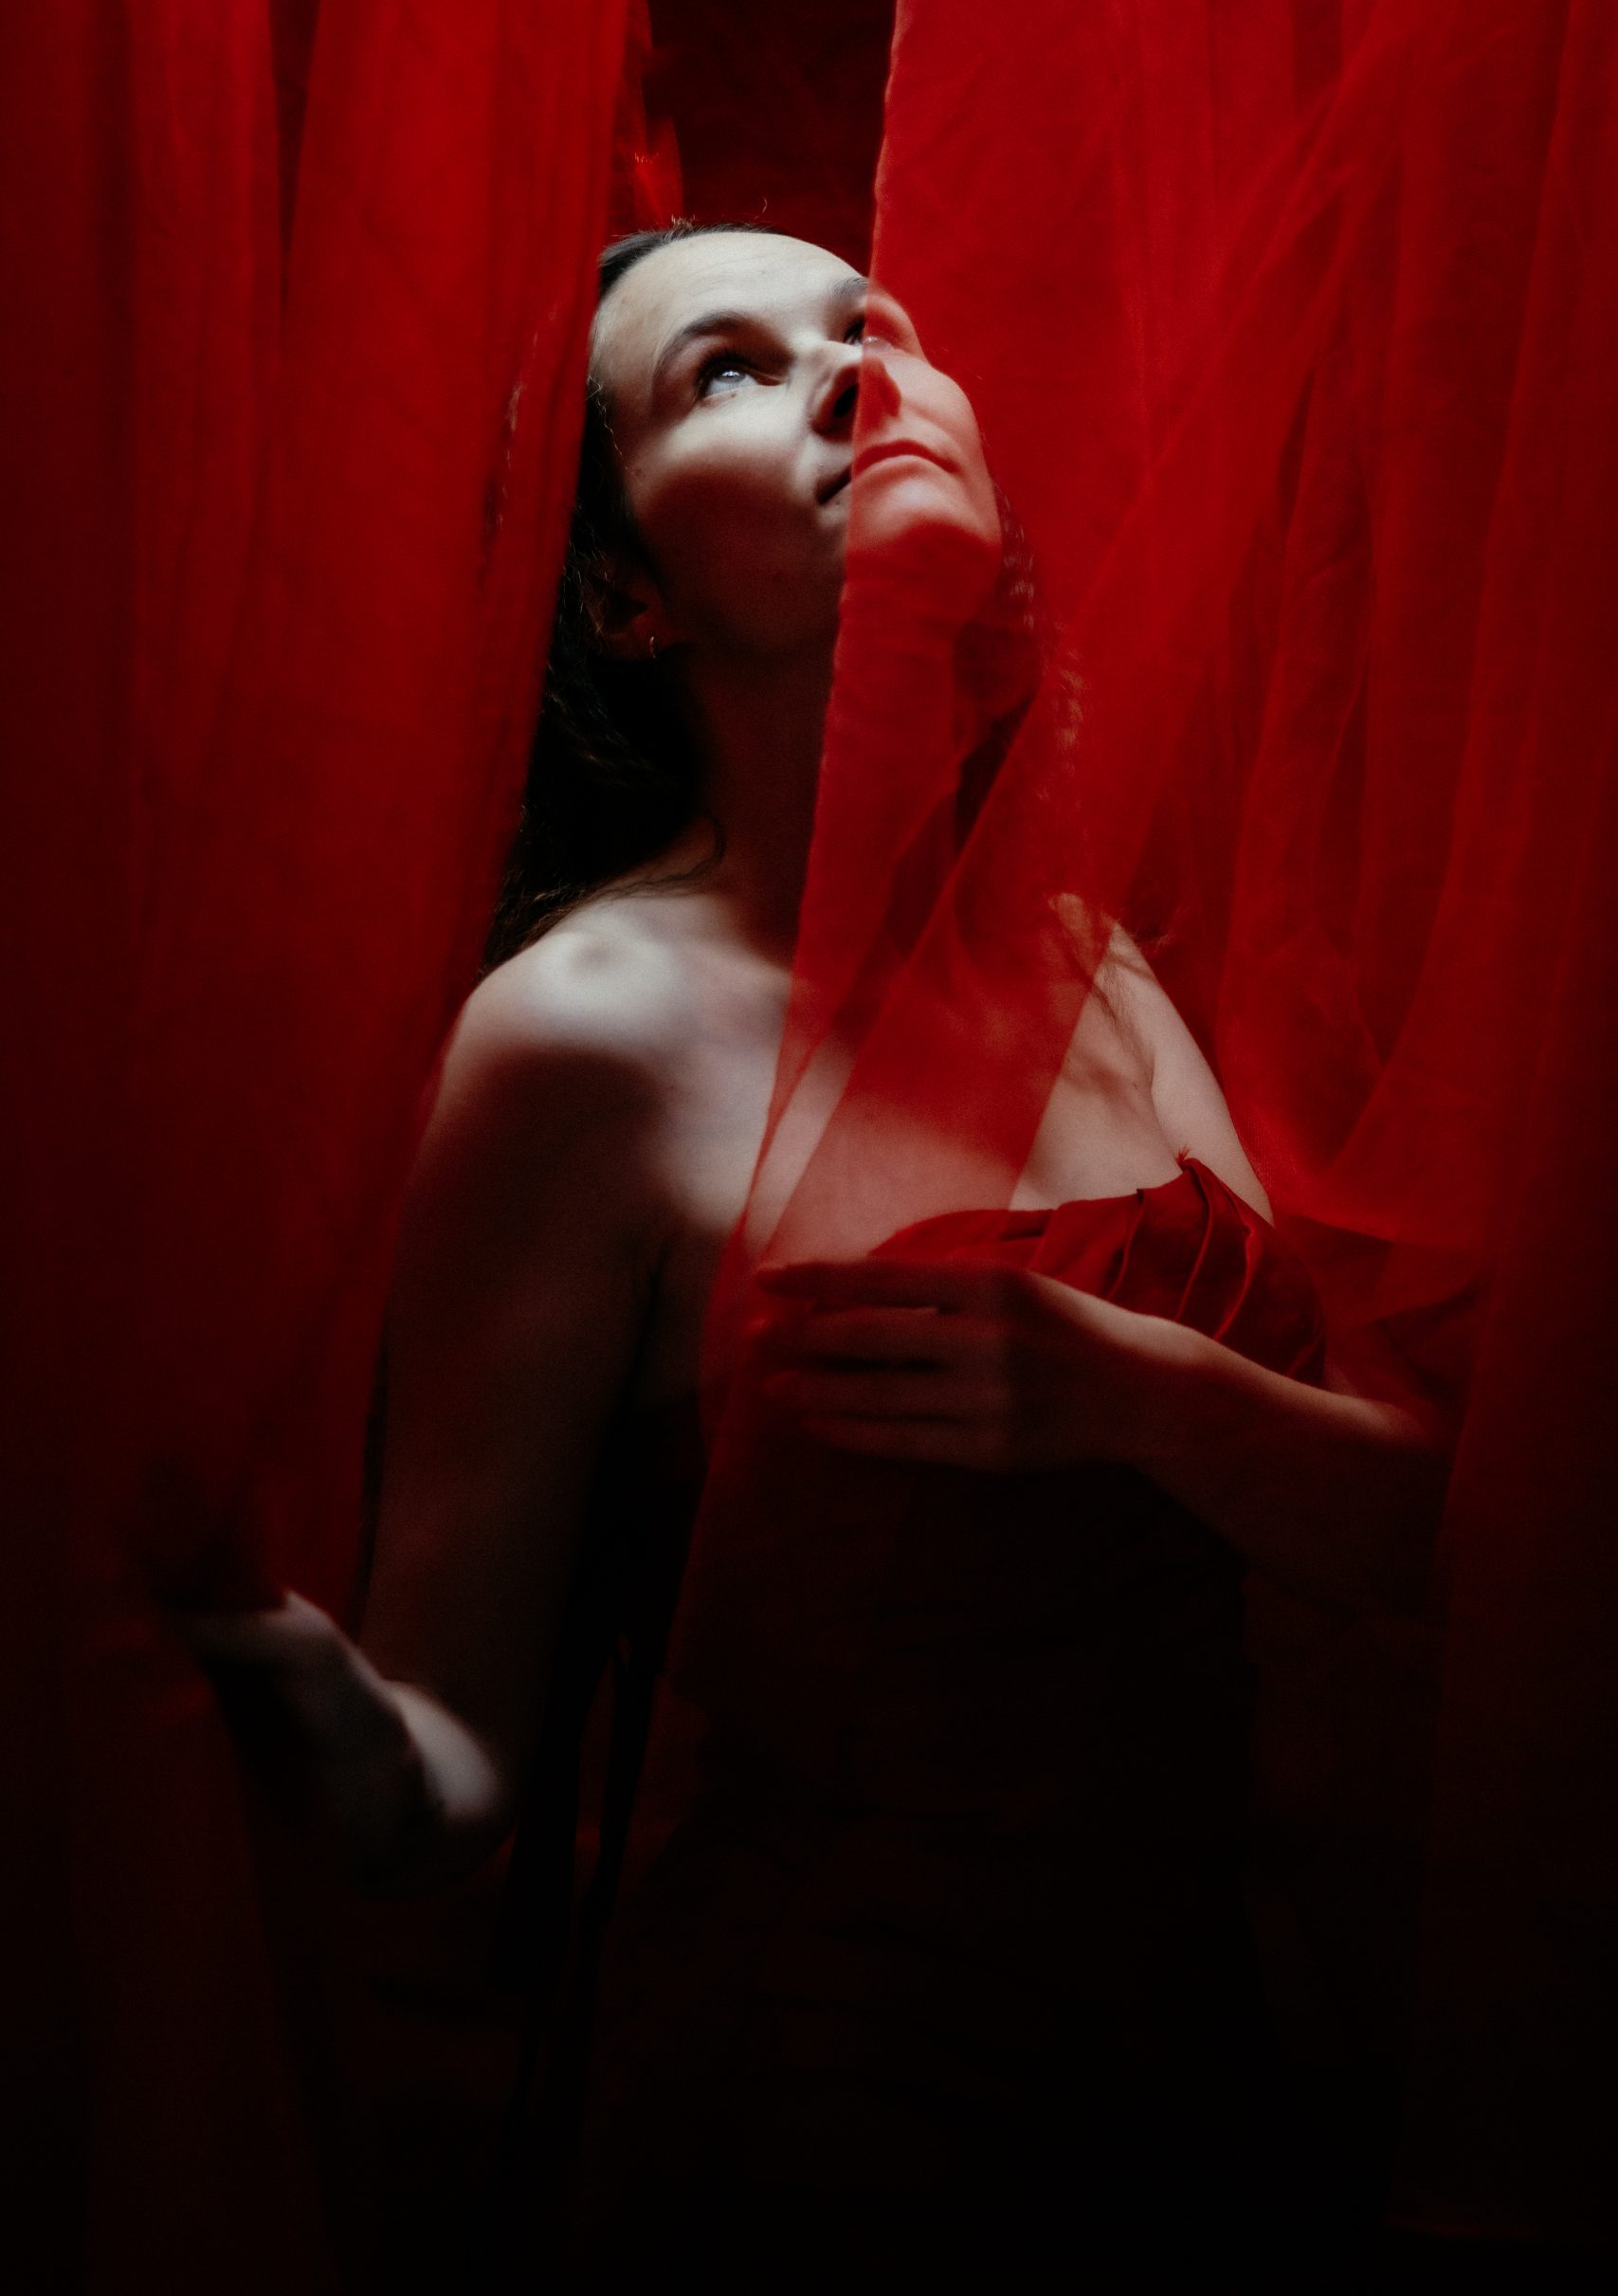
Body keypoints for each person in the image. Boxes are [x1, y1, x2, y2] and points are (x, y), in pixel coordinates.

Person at [189, 224, 1446, 2280]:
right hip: (839, 2124)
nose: (858, 375)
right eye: (728, 370)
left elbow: (1424, 1540)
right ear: (628, 596)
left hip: (1215, 2076)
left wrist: (1139, 1393)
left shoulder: (1087, 957)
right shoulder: (585, 1032)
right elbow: (444, 1785)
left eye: (873, 326)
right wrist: (177, 1616)